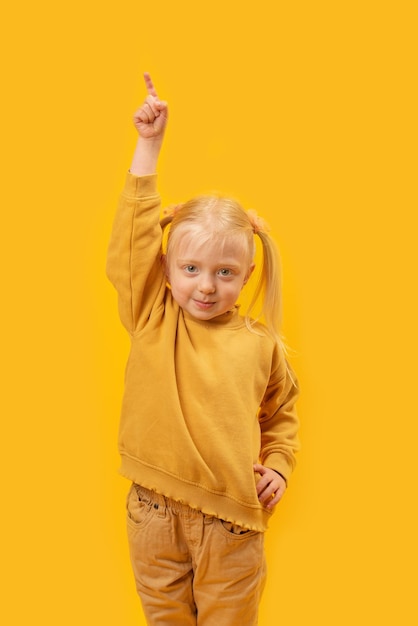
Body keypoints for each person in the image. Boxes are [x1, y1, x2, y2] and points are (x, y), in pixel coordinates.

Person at [106, 73, 300, 626]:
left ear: (247, 274)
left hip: (232, 521)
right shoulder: (151, 314)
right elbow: (131, 241)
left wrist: (281, 466)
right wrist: (149, 146)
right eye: (191, 269)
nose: (206, 285)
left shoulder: (261, 345)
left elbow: (282, 415)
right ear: (167, 270)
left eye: (225, 272)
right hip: (153, 512)